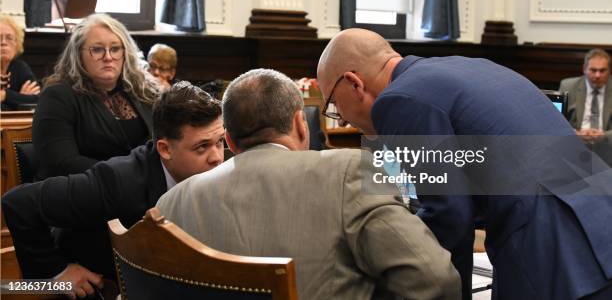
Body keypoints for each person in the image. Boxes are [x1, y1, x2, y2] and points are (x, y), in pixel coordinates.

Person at [317, 29, 612, 300]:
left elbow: (449, 216)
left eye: (333, 105)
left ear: (354, 83)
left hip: (555, 252)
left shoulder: (399, 100)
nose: (341, 120)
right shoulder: (468, 67)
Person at [156, 69, 460, 300]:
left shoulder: (170, 204)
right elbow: (435, 279)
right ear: (302, 125)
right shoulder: (351, 172)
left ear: (231, 141)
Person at [2, 81, 224, 299]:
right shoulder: (118, 181)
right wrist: (57, 271)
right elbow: (19, 203)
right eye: (202, 147)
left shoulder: (225, 167)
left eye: (220, 142)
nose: (217, 158)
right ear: (165, 149)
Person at [33, 14, 160, 179]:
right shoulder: (57, 96)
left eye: (115, 49)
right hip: (82, 193)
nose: (108, 57)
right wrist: (129, 174)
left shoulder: (142, 92)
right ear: (78, 55)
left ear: (125, 53)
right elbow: (61, 164)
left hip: (139, 191)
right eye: (97, 49)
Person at [559, 48, 612, 165]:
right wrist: (574, 133)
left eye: (603, 70)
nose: (598, 75)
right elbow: (557, 121)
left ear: (610, 71)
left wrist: (604, 136)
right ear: (584, 69)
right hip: (575, 145)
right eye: (593, 70)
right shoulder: (568, 86)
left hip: (607, 147)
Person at [0, 15, 40, 110]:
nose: (3, 42)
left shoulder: (20, 68)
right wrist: (21, 98)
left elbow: (39, 100)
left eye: (9, 38)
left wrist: (5, 95)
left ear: (17, 44)